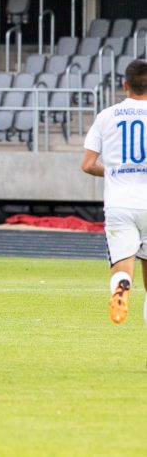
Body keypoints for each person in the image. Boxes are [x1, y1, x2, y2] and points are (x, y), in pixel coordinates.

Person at [82, 59, 147, 326]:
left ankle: (121, 287)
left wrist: (118, 169)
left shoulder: (106, 116)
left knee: (123, 267)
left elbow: (87, 165)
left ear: (125, 85)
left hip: (120, 205)